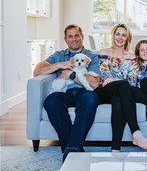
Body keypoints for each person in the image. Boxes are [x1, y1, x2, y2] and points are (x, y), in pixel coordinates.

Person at [33, 24, 101, 162]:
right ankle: (74, 148)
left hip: (84, 91)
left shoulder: (91, 56)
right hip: (64, 90)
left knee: (91, 99)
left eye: (77, 35)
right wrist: (60, 65)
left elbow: (94, 83)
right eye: (70, 36)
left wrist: (70, 74)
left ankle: (70, 150)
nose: (74, 39)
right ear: (65, 39)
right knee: (51, 101)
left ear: (82, 37)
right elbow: (37, 71)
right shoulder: (58, 56)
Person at [94, 23, 147, 152]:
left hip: (122, 92)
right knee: (123, 85)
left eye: (124, 35)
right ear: (113, 35)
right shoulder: (103, 53)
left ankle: (115, 149)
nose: (120, 37)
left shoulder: (132, 57)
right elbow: (105, 78)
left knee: (119, 99)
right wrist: (118, 81)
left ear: (127, 38)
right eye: (118, 34)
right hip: (104, 91)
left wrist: (116, 79)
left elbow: (132, 80)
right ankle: (136, 133)